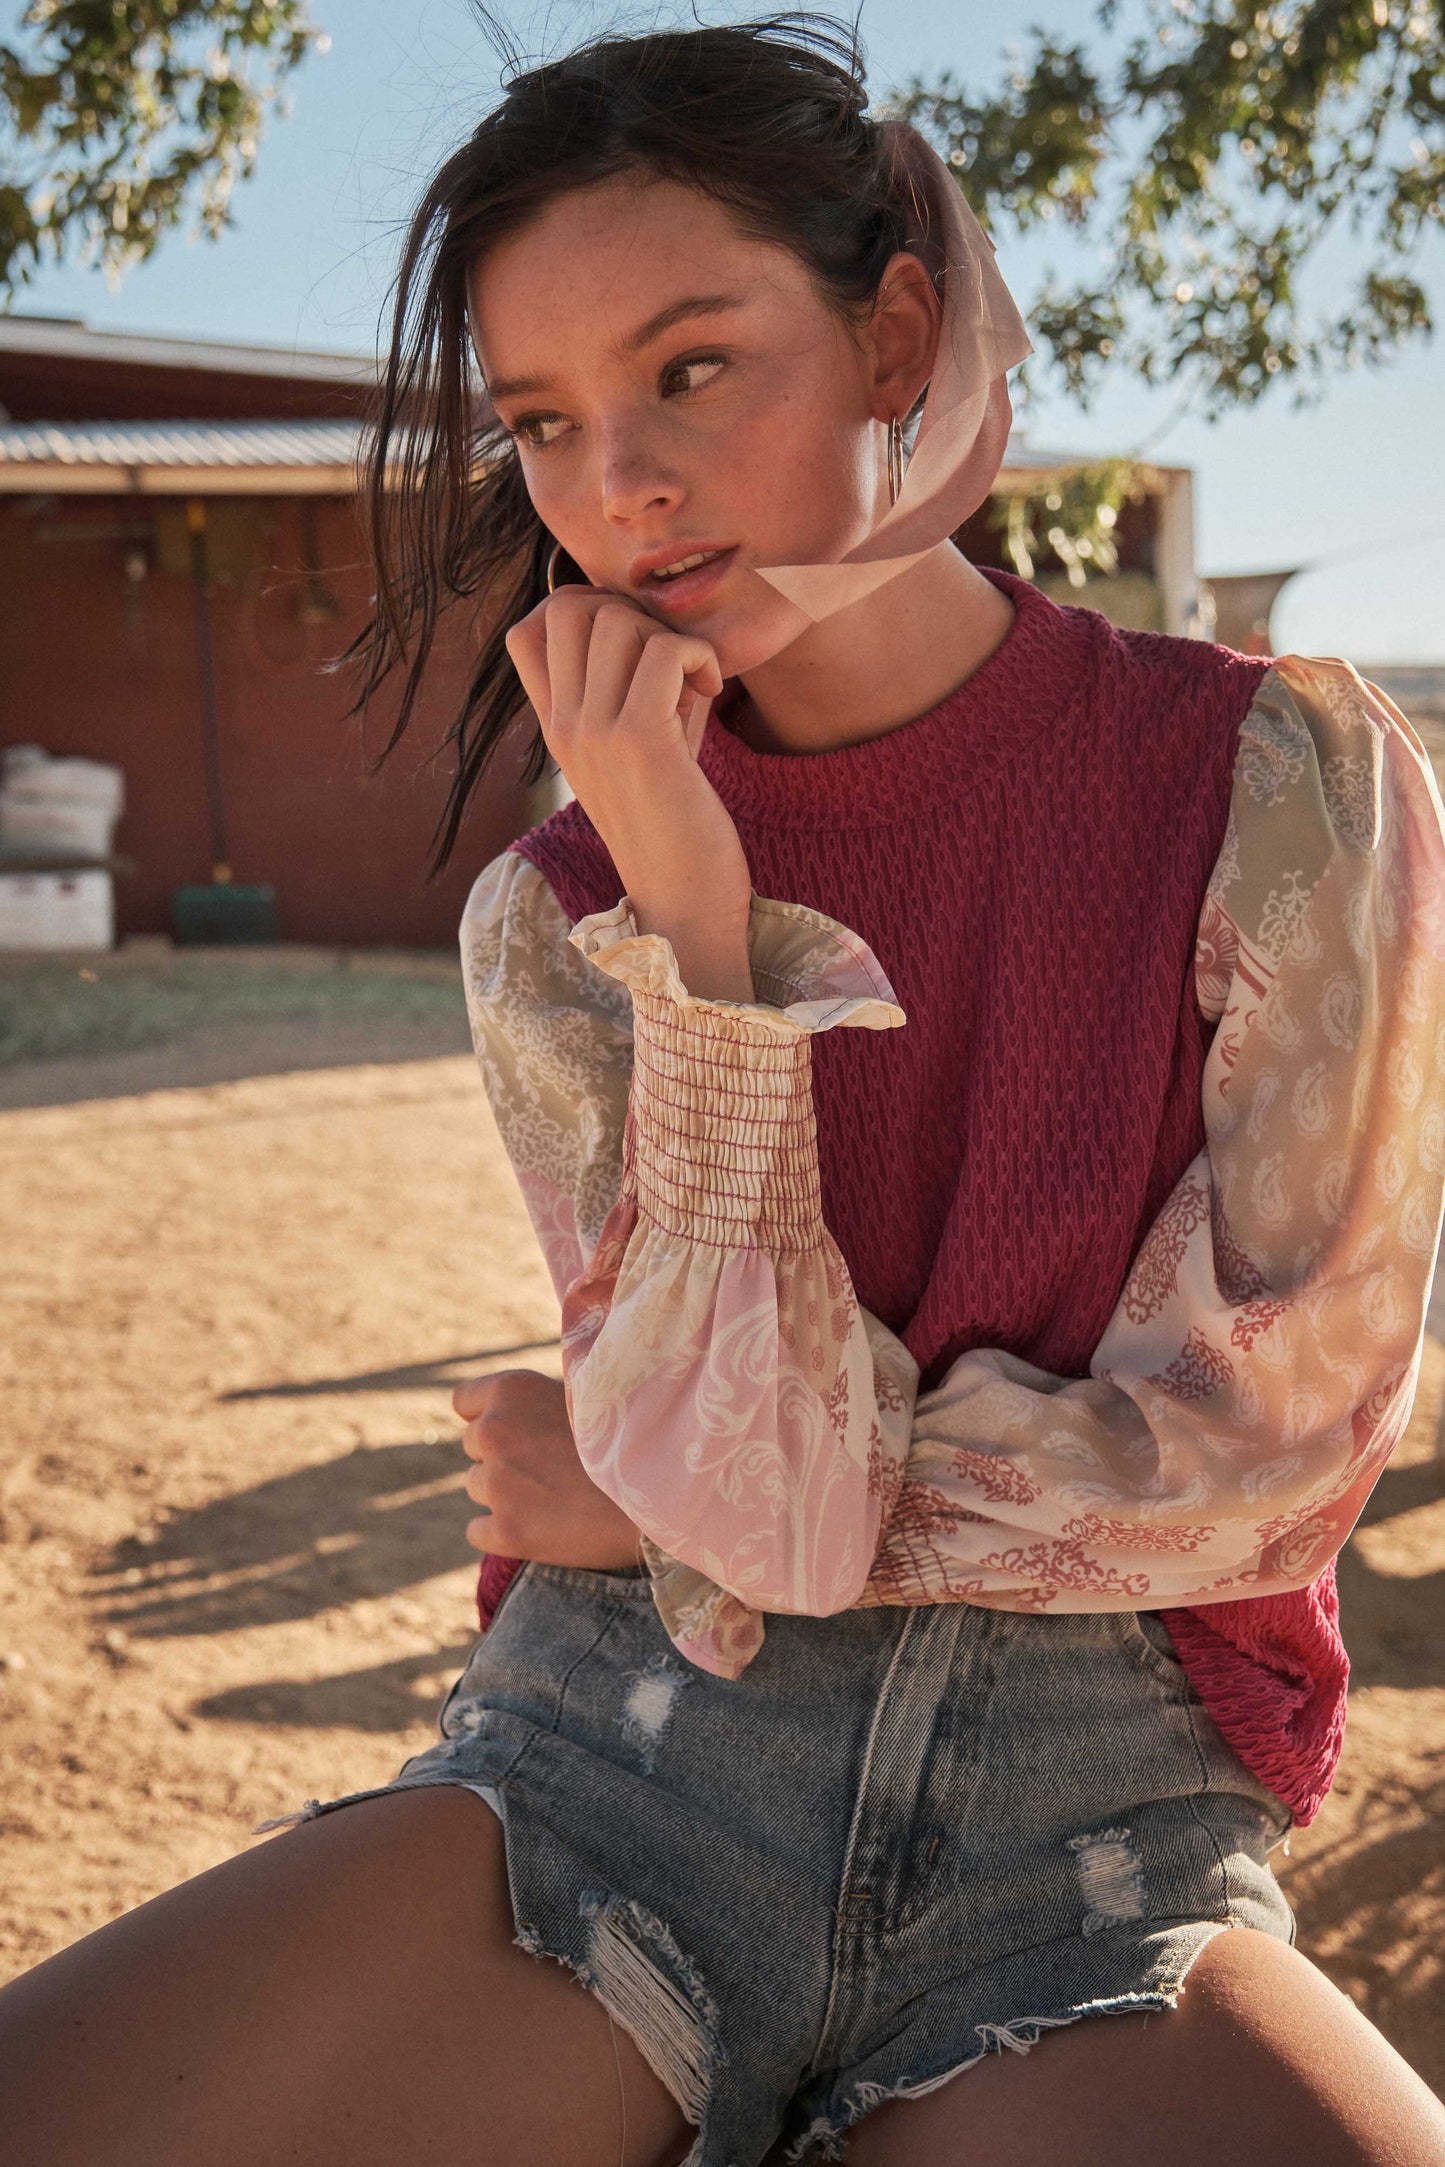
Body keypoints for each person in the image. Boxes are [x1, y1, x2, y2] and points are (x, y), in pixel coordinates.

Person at [3, 16, 1444, 2167]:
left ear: (894, 336)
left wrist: (684, 1500)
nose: (619, 486)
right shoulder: (561, 912)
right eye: (547, 421)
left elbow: (1265, 1460)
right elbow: (740, 1501)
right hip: (619, 1761)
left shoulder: (1284, 782)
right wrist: (694, 918)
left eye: (690, 370)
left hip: (1102, 1823)